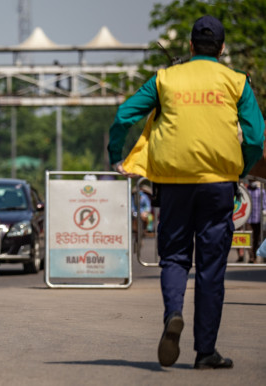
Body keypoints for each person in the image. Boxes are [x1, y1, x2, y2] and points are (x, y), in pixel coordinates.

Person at [108, 15, 265, 369]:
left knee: (176, 256)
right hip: (218, 185)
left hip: (174, 184)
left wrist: (115, 155)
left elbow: (123, 116)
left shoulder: (165, 78)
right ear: (222, 49)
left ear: (191, 46)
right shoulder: (237, 81)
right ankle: (205, 351)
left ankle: (173, 313)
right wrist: (239, 168)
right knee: (211, 267)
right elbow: (256, 136)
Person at [246, 181, 266, 263]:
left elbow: (264, 204)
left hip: (258, 219)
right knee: (249, 238)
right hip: (248, 219)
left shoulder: (261, 191)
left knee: (257, 238)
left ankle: (254, 255)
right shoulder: (246, 191)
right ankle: (251, 257)